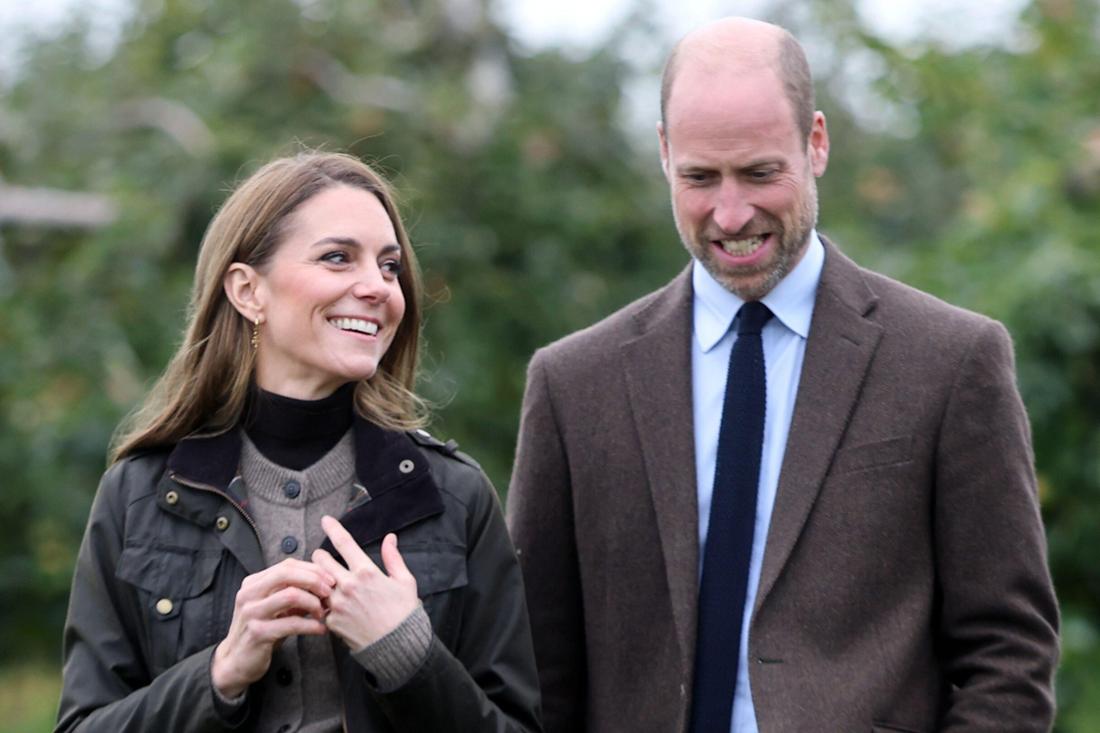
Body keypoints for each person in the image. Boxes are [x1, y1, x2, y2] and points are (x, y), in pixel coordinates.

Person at [506, 17, 1059, 733]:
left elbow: (1008, 653)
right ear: (663, 154)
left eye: (761, 173)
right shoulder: (572, 385)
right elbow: (535, 673)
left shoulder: (952, 361)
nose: (731, 214)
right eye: (700, 177)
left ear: (817, 142)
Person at [56, 151, 542, 732]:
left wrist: (409, 655)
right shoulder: (138, 495)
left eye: (389, 268)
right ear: (247, 290)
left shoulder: (456, 497)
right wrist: (221, 673)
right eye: (338, 258)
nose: (378, 288)